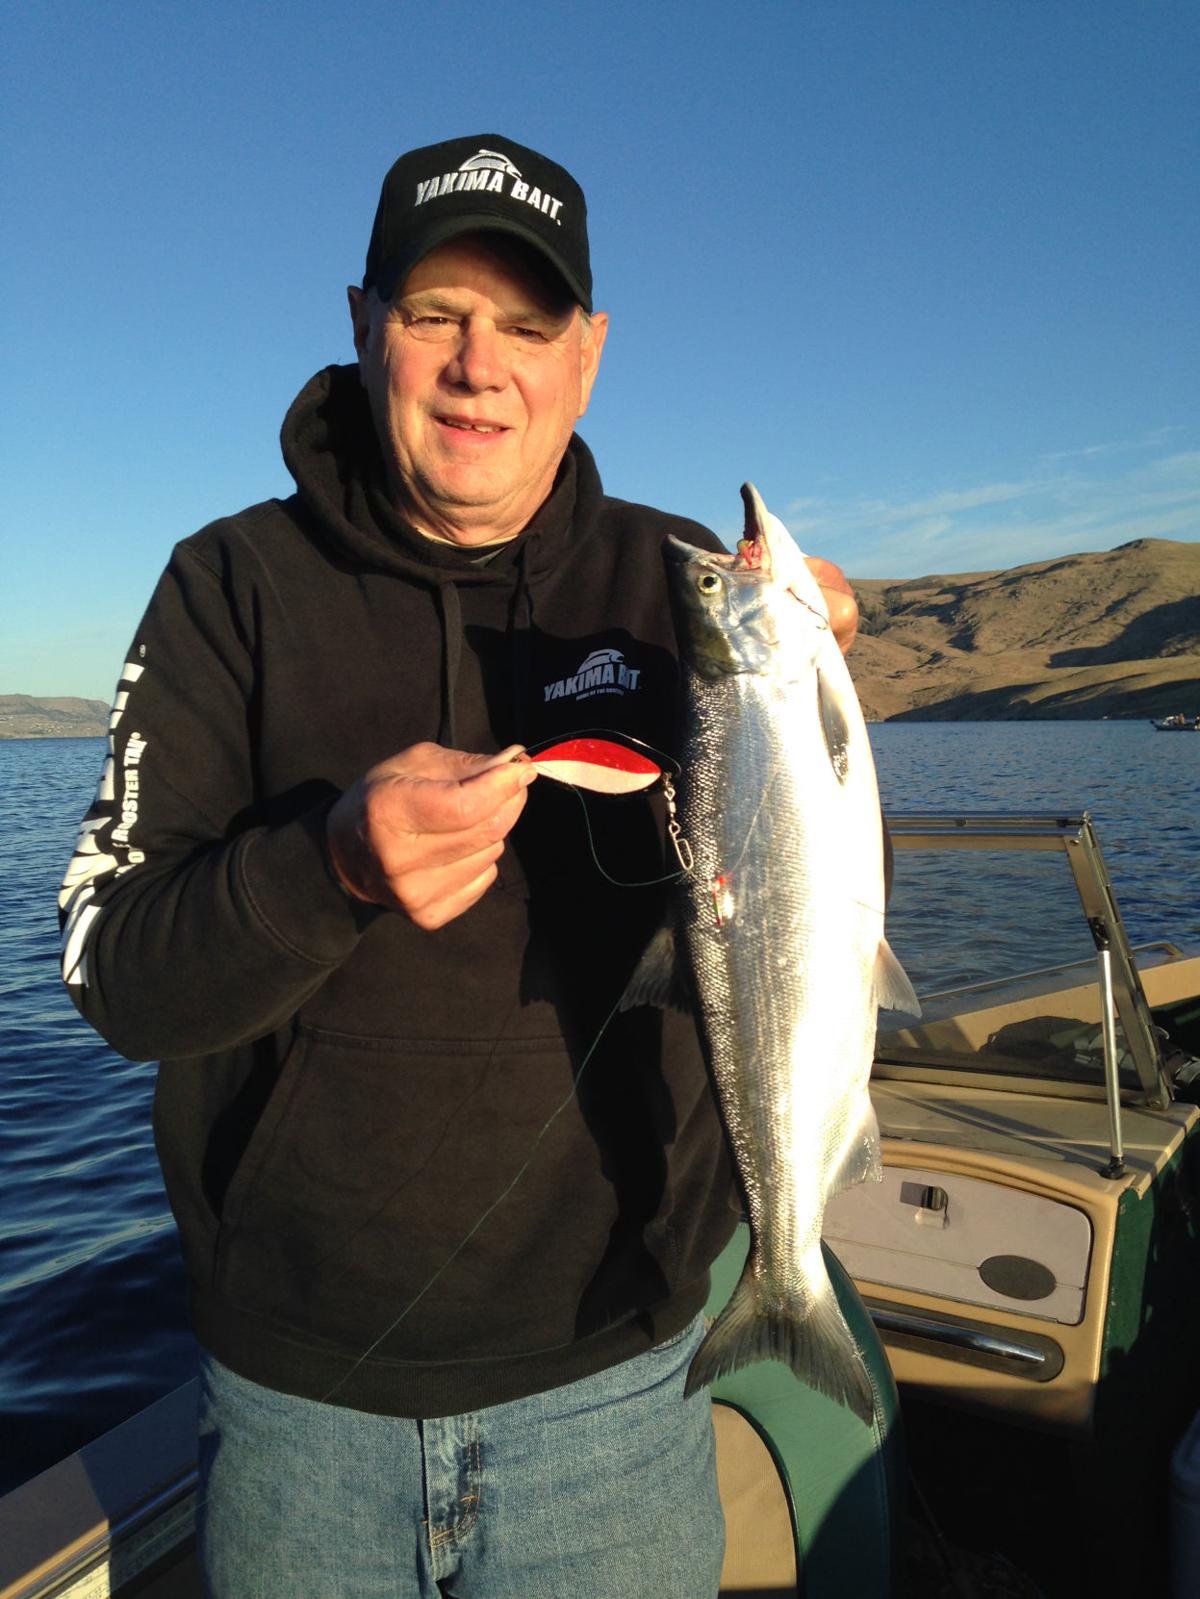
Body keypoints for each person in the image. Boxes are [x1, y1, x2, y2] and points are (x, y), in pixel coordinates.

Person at [59, 134, 859, 1598]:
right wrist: (330, 868)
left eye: (529, 323)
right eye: (437, 313)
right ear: (365, 325)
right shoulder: (225, 589)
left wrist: (798, 677)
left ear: (590, 355)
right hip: (301, 1412)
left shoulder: (681, 586)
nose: (479, 364)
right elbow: (111, 970)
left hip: (620, 1391)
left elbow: (799, 882)